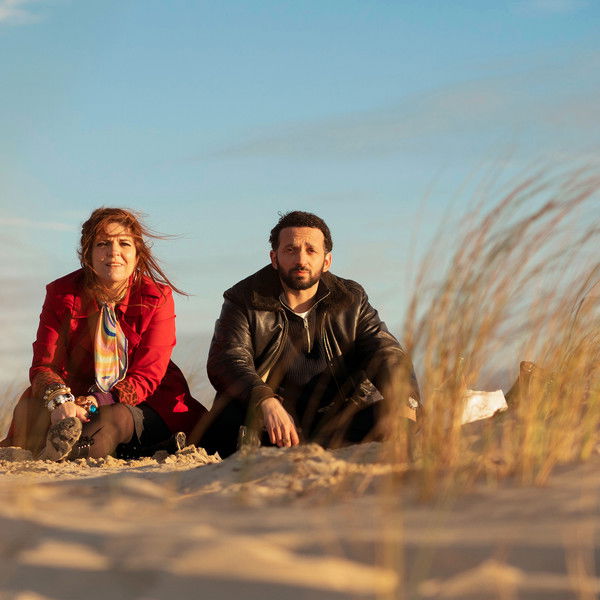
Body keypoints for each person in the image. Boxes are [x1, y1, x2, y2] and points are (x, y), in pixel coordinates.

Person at [196, 211, 420, 458]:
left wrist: (404, 404)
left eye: (311, 250)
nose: (301, 260)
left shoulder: (351, 299)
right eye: (290, 250)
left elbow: (386, 353)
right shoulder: (243, 298)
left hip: (337, 419)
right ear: (274, 258)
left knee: (392, 413)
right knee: (229, 416)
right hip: (273, 423)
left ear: (327, 261)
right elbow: (227, 360)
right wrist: (264, 401)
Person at [1, 208, 207, 460]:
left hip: (141, 400)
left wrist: (98, 400)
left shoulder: (157, 297)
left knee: (110, 421)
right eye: (103, 244)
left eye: (124, 243)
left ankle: (61, 454)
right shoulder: (61, 293)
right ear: (87, 253)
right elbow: (44, 365)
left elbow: (147, 375)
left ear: (137, 254)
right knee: (28, 410)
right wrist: (61, 401)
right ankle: (51, 445)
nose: (113, 252)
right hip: (73, 396)